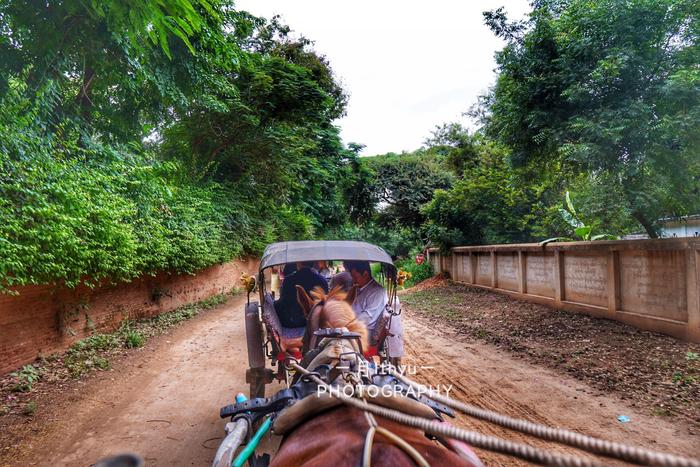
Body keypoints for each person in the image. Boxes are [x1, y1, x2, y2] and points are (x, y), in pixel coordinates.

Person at [343, 260, 404, 366]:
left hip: (366, 331)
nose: (353, 280)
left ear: (365, 274)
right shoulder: (359, 289)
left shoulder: (377, 291)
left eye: (355, 276)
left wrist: (346, 325)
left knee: (338, 342)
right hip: (354, 327)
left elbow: (367, 317)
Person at [275, 261, 328, 328]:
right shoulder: (322, 280)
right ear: (313, 264)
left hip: (291, 322)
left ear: (298, 263)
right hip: (316, 320)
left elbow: (283, 301)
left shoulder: (288, 280)